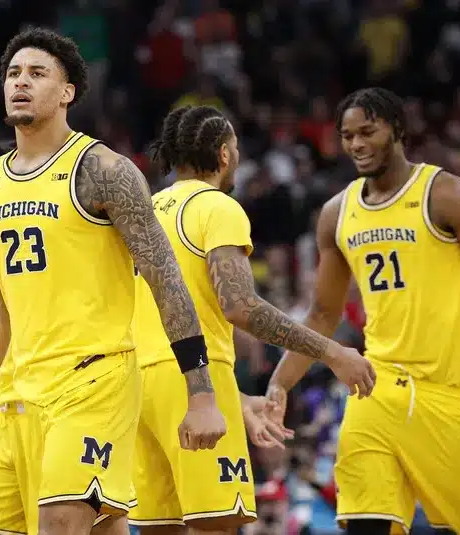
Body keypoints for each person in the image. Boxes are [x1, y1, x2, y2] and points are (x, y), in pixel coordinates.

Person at [0, 28, 226, 535]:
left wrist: (202, 394)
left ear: (67, 92)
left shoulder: (104, 171)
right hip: (18, 397)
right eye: (13, 73)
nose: (21, 82)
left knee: (61, 523)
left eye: (37, 73)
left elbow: (167, 280)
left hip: (94, 381)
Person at [267, 87, 460, 535]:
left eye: (367, 131)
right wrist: (280, 383)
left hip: (453, 396)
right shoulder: (336, 214)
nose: (357, 144)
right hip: (377, 390)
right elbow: (323, 315)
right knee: (365, 524)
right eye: (348, 135)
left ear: (397, 130)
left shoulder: (446, 194)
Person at [111, 105, 374, 535]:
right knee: (216, 525)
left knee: (162, 528)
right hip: (197, 380)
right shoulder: (216, 206)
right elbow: (240, 306)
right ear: (223, 154)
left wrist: (236, 400)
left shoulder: (148, 211)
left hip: (138, 386)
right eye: (235, 148)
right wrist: (332, 352)